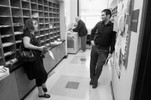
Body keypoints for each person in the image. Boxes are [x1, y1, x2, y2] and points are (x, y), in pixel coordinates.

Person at [23, 19, 50, 98]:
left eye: (36, 23)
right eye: (34, 24)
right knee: (43, 74)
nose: (37, 25)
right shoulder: (27, 33)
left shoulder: (31, 34)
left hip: (36, 58)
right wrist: (39, 48)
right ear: (29, 25)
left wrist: (42, 49)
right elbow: (26, 45)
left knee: (39, 76)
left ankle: (41, 93)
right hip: (32, 60)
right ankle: (43, 85)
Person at [90, 9, 116, 88]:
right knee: (92, 64)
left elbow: (113, 40)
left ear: (108, 16)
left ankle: (95, 80)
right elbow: (92, 31)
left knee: (99, 66)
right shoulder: (98, 24)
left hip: (104, 50)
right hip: (95, 47)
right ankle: (92, 79)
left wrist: (111, 52)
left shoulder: (113, 26)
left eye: (103, 15)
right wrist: (91, 40)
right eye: (101, 15)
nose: (101, 16)